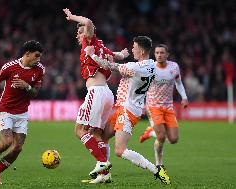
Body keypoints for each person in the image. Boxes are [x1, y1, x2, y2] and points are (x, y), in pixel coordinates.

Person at [84, 36, 171, 184]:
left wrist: (91, 54)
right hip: (127, 108)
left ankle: (157, 170)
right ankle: (104, 174)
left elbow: (110, 66)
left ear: (142, 51)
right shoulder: (153, 66)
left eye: (134, 47)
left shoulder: (135, 67)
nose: (132, 49)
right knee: (101, 136)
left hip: (128, 111)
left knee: (120, 150)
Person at [62, 8, 129, 182]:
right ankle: (105, 175)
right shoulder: (102, 47)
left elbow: (89, 22)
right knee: (97, 133)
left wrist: (72, 17)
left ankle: (102, 162)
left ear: (86, 33)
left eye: (80, 32)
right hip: (106, 93)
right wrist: (122, 54)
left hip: (96, 91)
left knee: (80, 130)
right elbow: (118, 55)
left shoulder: (88, 41)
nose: (78, 36)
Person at [0, 40, 45, 185]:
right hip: (5, 110)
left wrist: (27, 87)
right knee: (7, 142)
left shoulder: (40, 69)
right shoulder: (10, 67)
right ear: (27, 54)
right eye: (36, 56)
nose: (38, 59)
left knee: (17, 148)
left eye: (40, 56)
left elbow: (35, 93)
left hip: (22, 113)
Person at [139, 44, 189, 168]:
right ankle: (159, 164)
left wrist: (184, 97)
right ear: (154, 54)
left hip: (168, 107)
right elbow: (142, 87)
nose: (159, 55)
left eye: (162, 53)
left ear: (167, 54)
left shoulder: (174, 67)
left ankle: (151, 132)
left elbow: (178, 83)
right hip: (153, 106)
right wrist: (141, 103)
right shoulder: (150, 68)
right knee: (161, 137)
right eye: (157, 53)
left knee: (173, 139)